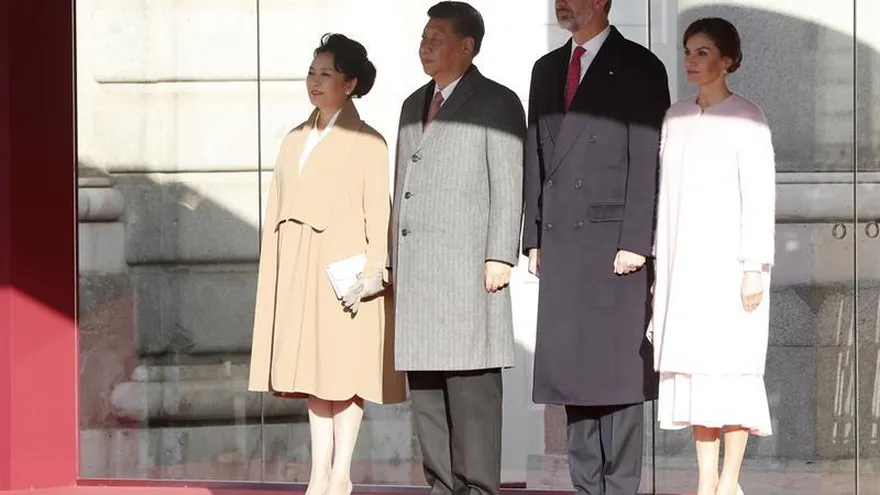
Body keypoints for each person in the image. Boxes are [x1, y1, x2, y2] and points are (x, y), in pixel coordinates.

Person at [522, 0, 671, 493]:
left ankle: (621, 486)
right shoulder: (546, 70)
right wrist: (534, 235)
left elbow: (648, 157)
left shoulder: (641, 66)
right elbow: (536, 156)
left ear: (603, 2)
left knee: (618, 374)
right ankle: (586, 485)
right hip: (562, 241)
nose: (563, 3)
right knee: (572, 372)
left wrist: (637, 242)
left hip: (615, 246)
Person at [247, 33, 406, 495]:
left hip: (345, 267)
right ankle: (319, 471)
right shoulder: (295, 138)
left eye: (326, 74)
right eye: (312, 73)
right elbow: (277, 206)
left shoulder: (368, 141)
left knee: (346, 369)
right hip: (298, 264)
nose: (315, 82)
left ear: (350, 83)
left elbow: (379, 211)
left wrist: (375, 273)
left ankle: (342, 472)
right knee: (312, 371)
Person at [388, 2, 526, 494]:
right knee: (427, 400)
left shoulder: (497, 101)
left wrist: (501, 253)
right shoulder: (411, 104)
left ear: (467, 47)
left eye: (437, 37)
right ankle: (441, 488)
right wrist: (391, 263)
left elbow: (510, 181)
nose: (424, 45)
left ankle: (479, 489)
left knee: (472, 398)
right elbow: (402, 189)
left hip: (468, 269)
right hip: (419, 275)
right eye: (424, 36)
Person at [648, 17, 775, 495]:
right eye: (688, 52)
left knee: (733, 372)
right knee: (698, 374)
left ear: (727, 60)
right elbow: (665, 198)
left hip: (732, 268)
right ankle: (704, 482)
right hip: (686, 269)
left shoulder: (748, 117)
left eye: (703, 52)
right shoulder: (675, 117)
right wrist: (662, 267)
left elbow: (759, 196)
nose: (692, 61)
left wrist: (752, 269)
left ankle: (729, 480)